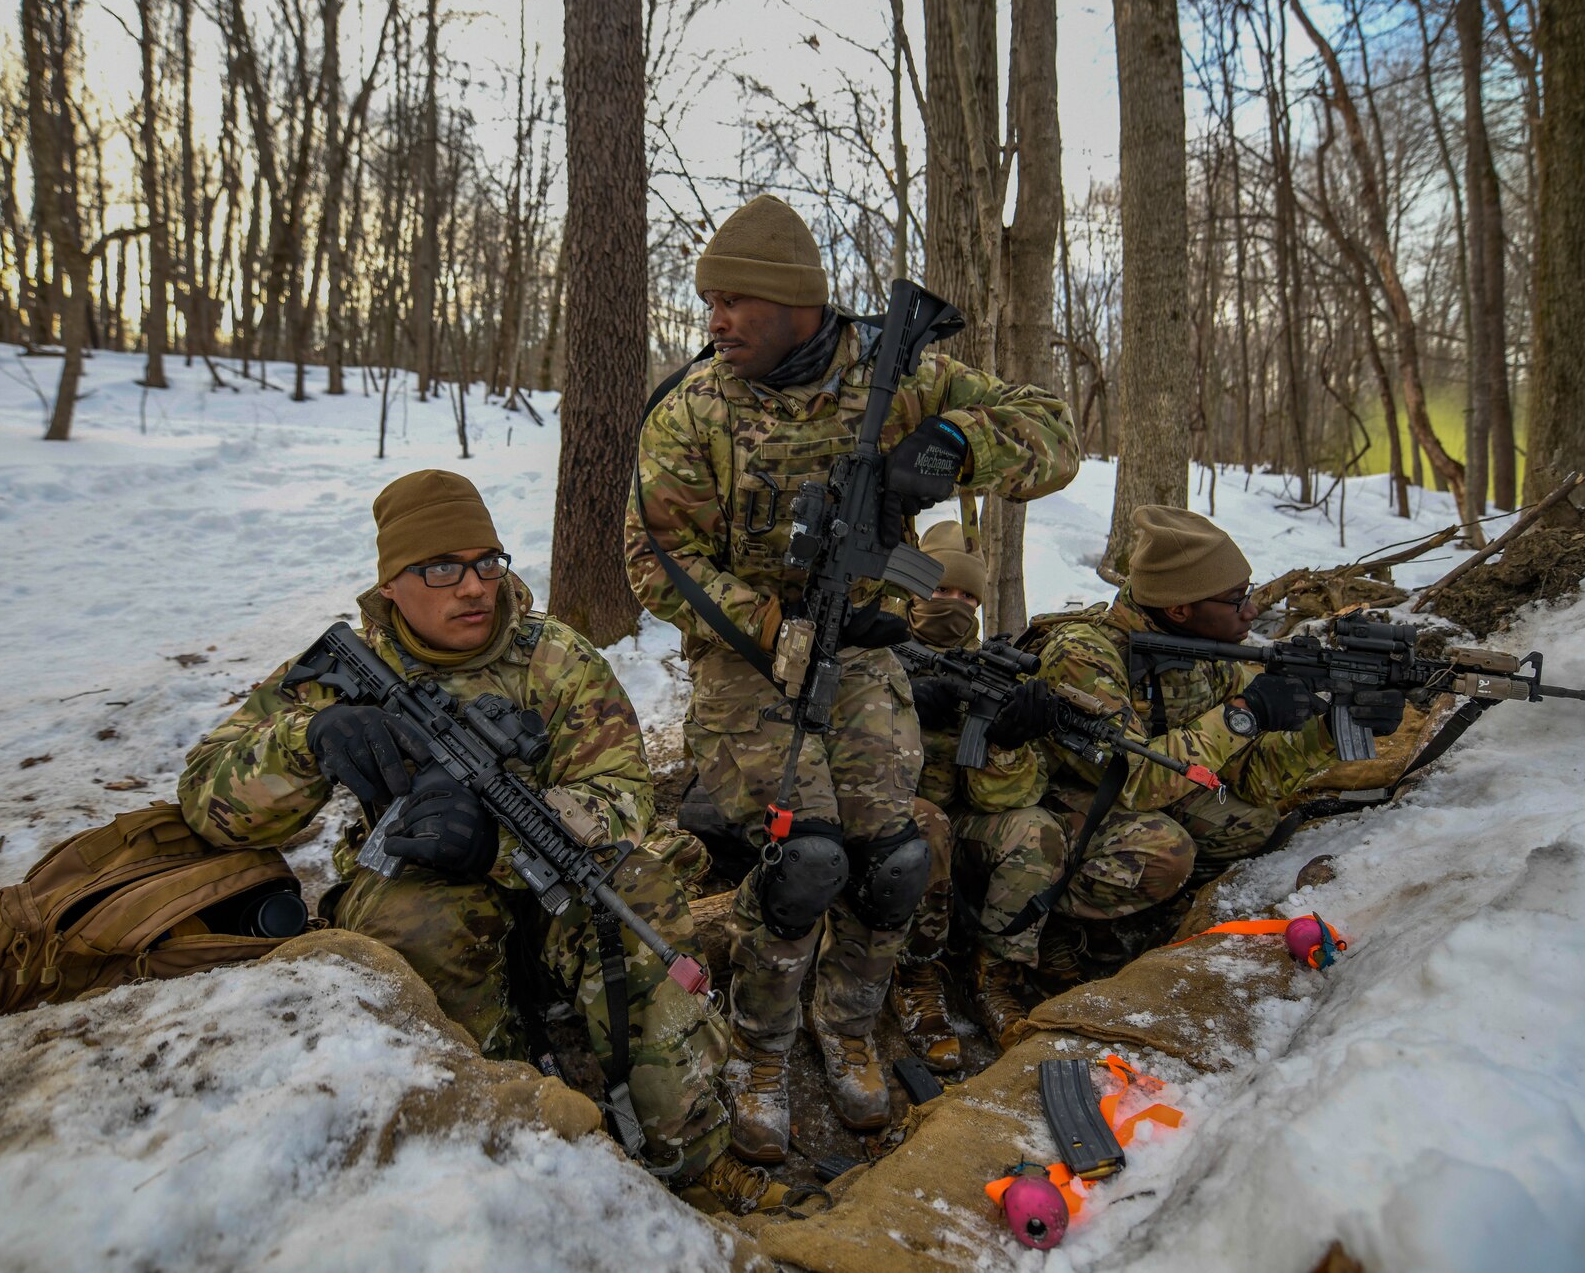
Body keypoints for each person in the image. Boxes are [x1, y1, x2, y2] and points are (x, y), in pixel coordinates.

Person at [178, 470, 783, 1216]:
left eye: (487, 561)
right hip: (418, 883)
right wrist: (308, 740)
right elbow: (209, 799)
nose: (473, 586)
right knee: (410, 928)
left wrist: (492, 840)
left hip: (555, 883)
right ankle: (495, 1148)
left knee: (638, 896)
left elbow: (623, 799)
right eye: (441, 568)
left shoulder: (555, 658)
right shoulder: (343, 672)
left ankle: (689, 1150)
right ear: (390, 585)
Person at [626, 195, 1079, 1161]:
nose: (715, 320)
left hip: (867, 645)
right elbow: (654, 556)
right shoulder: (693, 408)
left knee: (897, 855)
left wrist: (957, 446)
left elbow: (1053, 431)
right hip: (747, 662)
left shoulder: (899, 373)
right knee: (807, 861)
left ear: (798, 302)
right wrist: (780, 633)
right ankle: (759, 1043)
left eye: (736, 300)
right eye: (709, 300)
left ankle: (848, 1022)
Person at [952, 505, 1404, 1045]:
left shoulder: (1209, 657)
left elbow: (1251, 781)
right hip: (1035, 807)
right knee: (1165, 849)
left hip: (1109, 806)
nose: (1251, 609)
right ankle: (998, 967)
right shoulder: (1083, 654)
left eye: (1249, 591)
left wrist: (1329, 729)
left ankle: (1088, 927)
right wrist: (1244, 714)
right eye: (1237, 600)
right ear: (1183, 609)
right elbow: (1137, 779)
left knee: (1250, 824)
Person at [891, 521, 1052, 1069]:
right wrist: (904, 702)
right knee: (928, 822)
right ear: (915, 589)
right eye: (941, 590)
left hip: (960, 818)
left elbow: (1000, 800)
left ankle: (996, 972)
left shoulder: (985, 665)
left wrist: (1007, 739)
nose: (954, 604)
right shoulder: (872, 647)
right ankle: (915, 974)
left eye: (968, 596)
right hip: (880, 818)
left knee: (1037, 828)